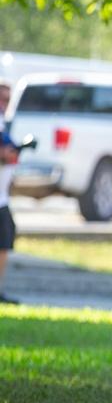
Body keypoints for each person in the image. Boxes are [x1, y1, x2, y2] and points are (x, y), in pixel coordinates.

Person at [0, 80, 19, 304]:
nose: (4, 104)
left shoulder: (5, 122)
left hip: (3, 198)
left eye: (7, 99)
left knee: (4, 244)